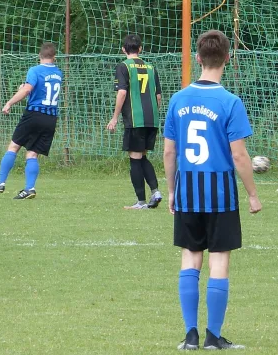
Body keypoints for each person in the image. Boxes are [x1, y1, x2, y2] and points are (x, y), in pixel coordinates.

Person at [163, 30, 262, 350]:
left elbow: (169, 152)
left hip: (188, 189)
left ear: (198, 58)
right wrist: (252, 194)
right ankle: (213, 337)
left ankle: (189, 335)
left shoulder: (178, 99)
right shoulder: (230, 102)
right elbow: (239, 155)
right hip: (220, 192)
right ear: (227, 59)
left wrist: (172, 190)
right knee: (219, 261)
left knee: (190, 258)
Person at [0, 42, 62, 199]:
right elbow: (40, 89)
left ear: (39, 56)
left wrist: (10, 102)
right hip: (51, 117)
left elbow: (28, 89)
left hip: (34, 114)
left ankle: (0, 183)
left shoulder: (35, 70)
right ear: (54, 57)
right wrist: (26, 88)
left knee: (14, 146)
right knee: (33, 154)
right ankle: (29, 188)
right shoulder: (58, 73)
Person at [106, 34, 162, 210]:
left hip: (135, 119)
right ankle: (156, 192)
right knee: (142, 156)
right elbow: (158, 96)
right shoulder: (151, 67)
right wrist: (154, 113)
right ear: (140, 49)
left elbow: (122, 93)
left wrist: (115, 117)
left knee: (135, 159)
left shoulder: (123, 66)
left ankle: (141, 202)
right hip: (151, 118)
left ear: (123, 49)